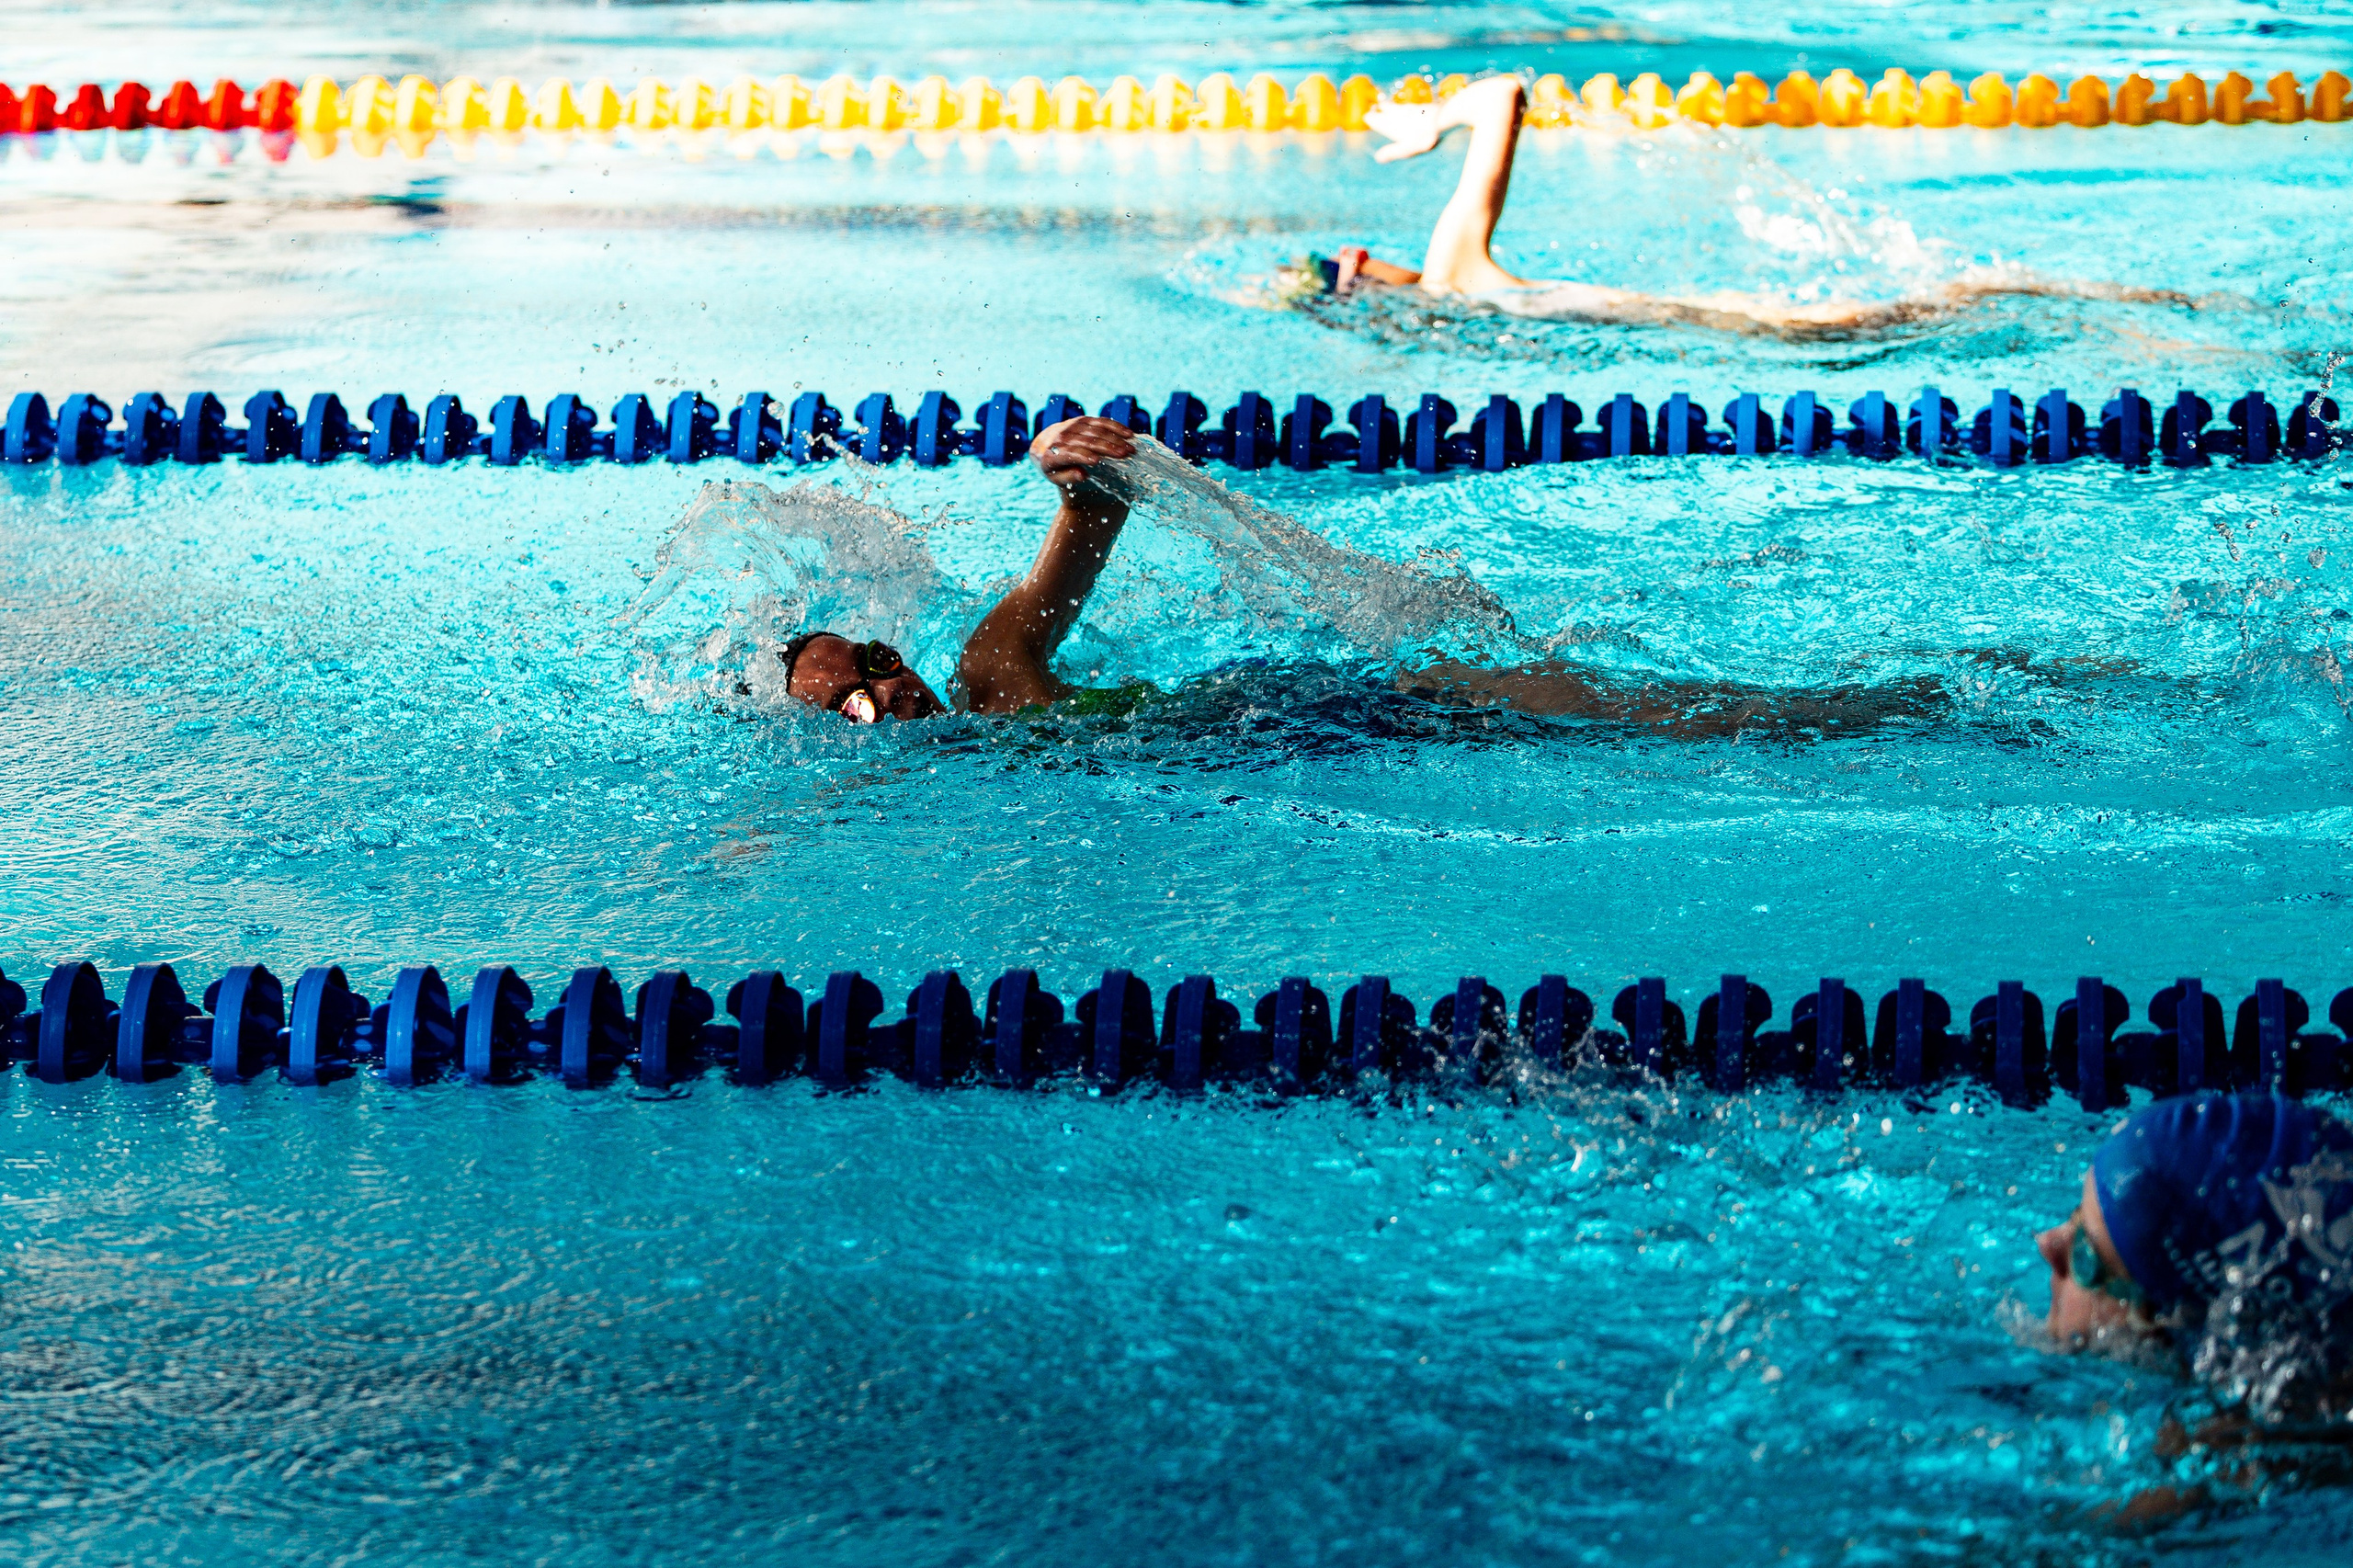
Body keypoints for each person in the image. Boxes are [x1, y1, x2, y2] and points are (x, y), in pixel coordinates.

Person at [778, 415, 1951, 732]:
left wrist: (1060, 467)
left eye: (862, 686)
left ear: (890, 658)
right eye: (843, 717)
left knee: (1691, 724)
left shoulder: (992, 673)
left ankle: (1936, 704)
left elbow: (1100, 510)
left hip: (1366, 708)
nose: (870, 715)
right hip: (1329, 739)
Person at [1283, 75, 2199, 339]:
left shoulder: (1455, 265)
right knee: (1930, 305)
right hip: (1733, 326)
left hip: (1753, 324)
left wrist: (1429, 126)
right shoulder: (1454, 291)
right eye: (1347, 271)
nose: (1365, 264)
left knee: (1945, 303)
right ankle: (2082, 298)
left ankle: (2113, 300)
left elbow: (1501, 92)